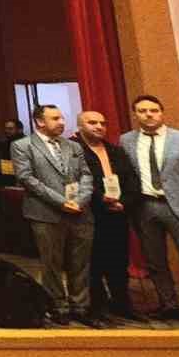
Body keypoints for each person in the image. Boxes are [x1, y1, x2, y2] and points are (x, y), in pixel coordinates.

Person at [119, 94, 179, 328]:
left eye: (153, 110)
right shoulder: (126, 140)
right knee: (155, 262)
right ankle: (169, 305)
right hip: (145, 207)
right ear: (135, 114)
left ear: (162, 112)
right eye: (142, 111)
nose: (148, 115)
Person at [11, 104, 97, 327]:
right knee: (52, 263)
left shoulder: (73, 146)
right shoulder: (22, 146)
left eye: (62, 118)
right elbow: (27, 178)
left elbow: (86, 175)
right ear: (40, 122)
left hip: (80, 212)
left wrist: (80, 201)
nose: (62, 122)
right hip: (45, 213)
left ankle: (80, 306)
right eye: (55, 118)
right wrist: (61, 202)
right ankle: (57, 306)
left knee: (80, 263)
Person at [74, 110, 143, 324]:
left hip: (118, 213)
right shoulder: (73, 150)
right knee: (93, 263)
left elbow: (132, 180)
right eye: (92, 122)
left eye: (102, 123)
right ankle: (97, 307)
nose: (99, 126)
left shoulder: (116, 151)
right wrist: (101, 199)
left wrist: (125, 202)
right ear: (80, 126)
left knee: (119, 261)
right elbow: (75, 181)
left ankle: (122, 304)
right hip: (90, 213)